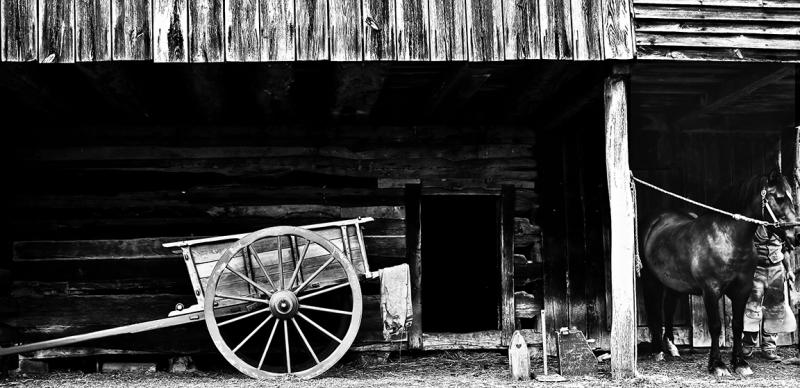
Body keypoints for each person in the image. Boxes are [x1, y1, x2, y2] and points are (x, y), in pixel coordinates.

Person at [743, 224, 796, 361]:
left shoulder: (780, 228)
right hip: (756, 269)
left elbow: (785, 251)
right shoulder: (753, 225)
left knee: (775, 309)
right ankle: (748, 345)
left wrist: (789, 270)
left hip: (776, 270)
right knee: (752, 308)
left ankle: (769, 347)